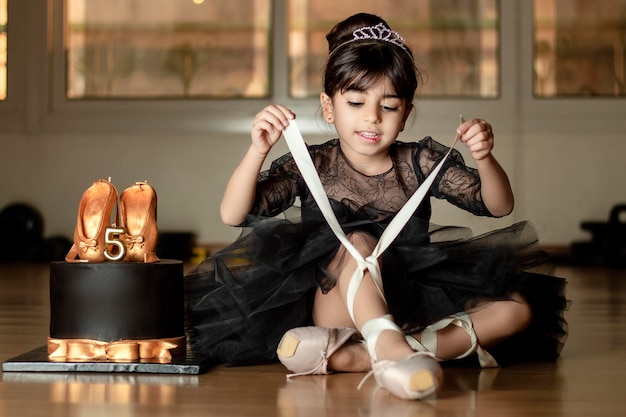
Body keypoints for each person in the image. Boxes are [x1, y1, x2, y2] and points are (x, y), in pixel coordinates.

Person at [185, 13, 567, 400]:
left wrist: (485, 157)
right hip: (335, 302)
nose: (371, 116)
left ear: (406, 114)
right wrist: (257, 149)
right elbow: (233, 214)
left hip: (407, 299)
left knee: (516, 310)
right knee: (359, 241)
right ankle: (390, 347)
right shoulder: (312, 164)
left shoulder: (419, 162)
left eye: (389, 106)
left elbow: (498, 206)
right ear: (329, 106)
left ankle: (365, 356)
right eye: (355, 101)